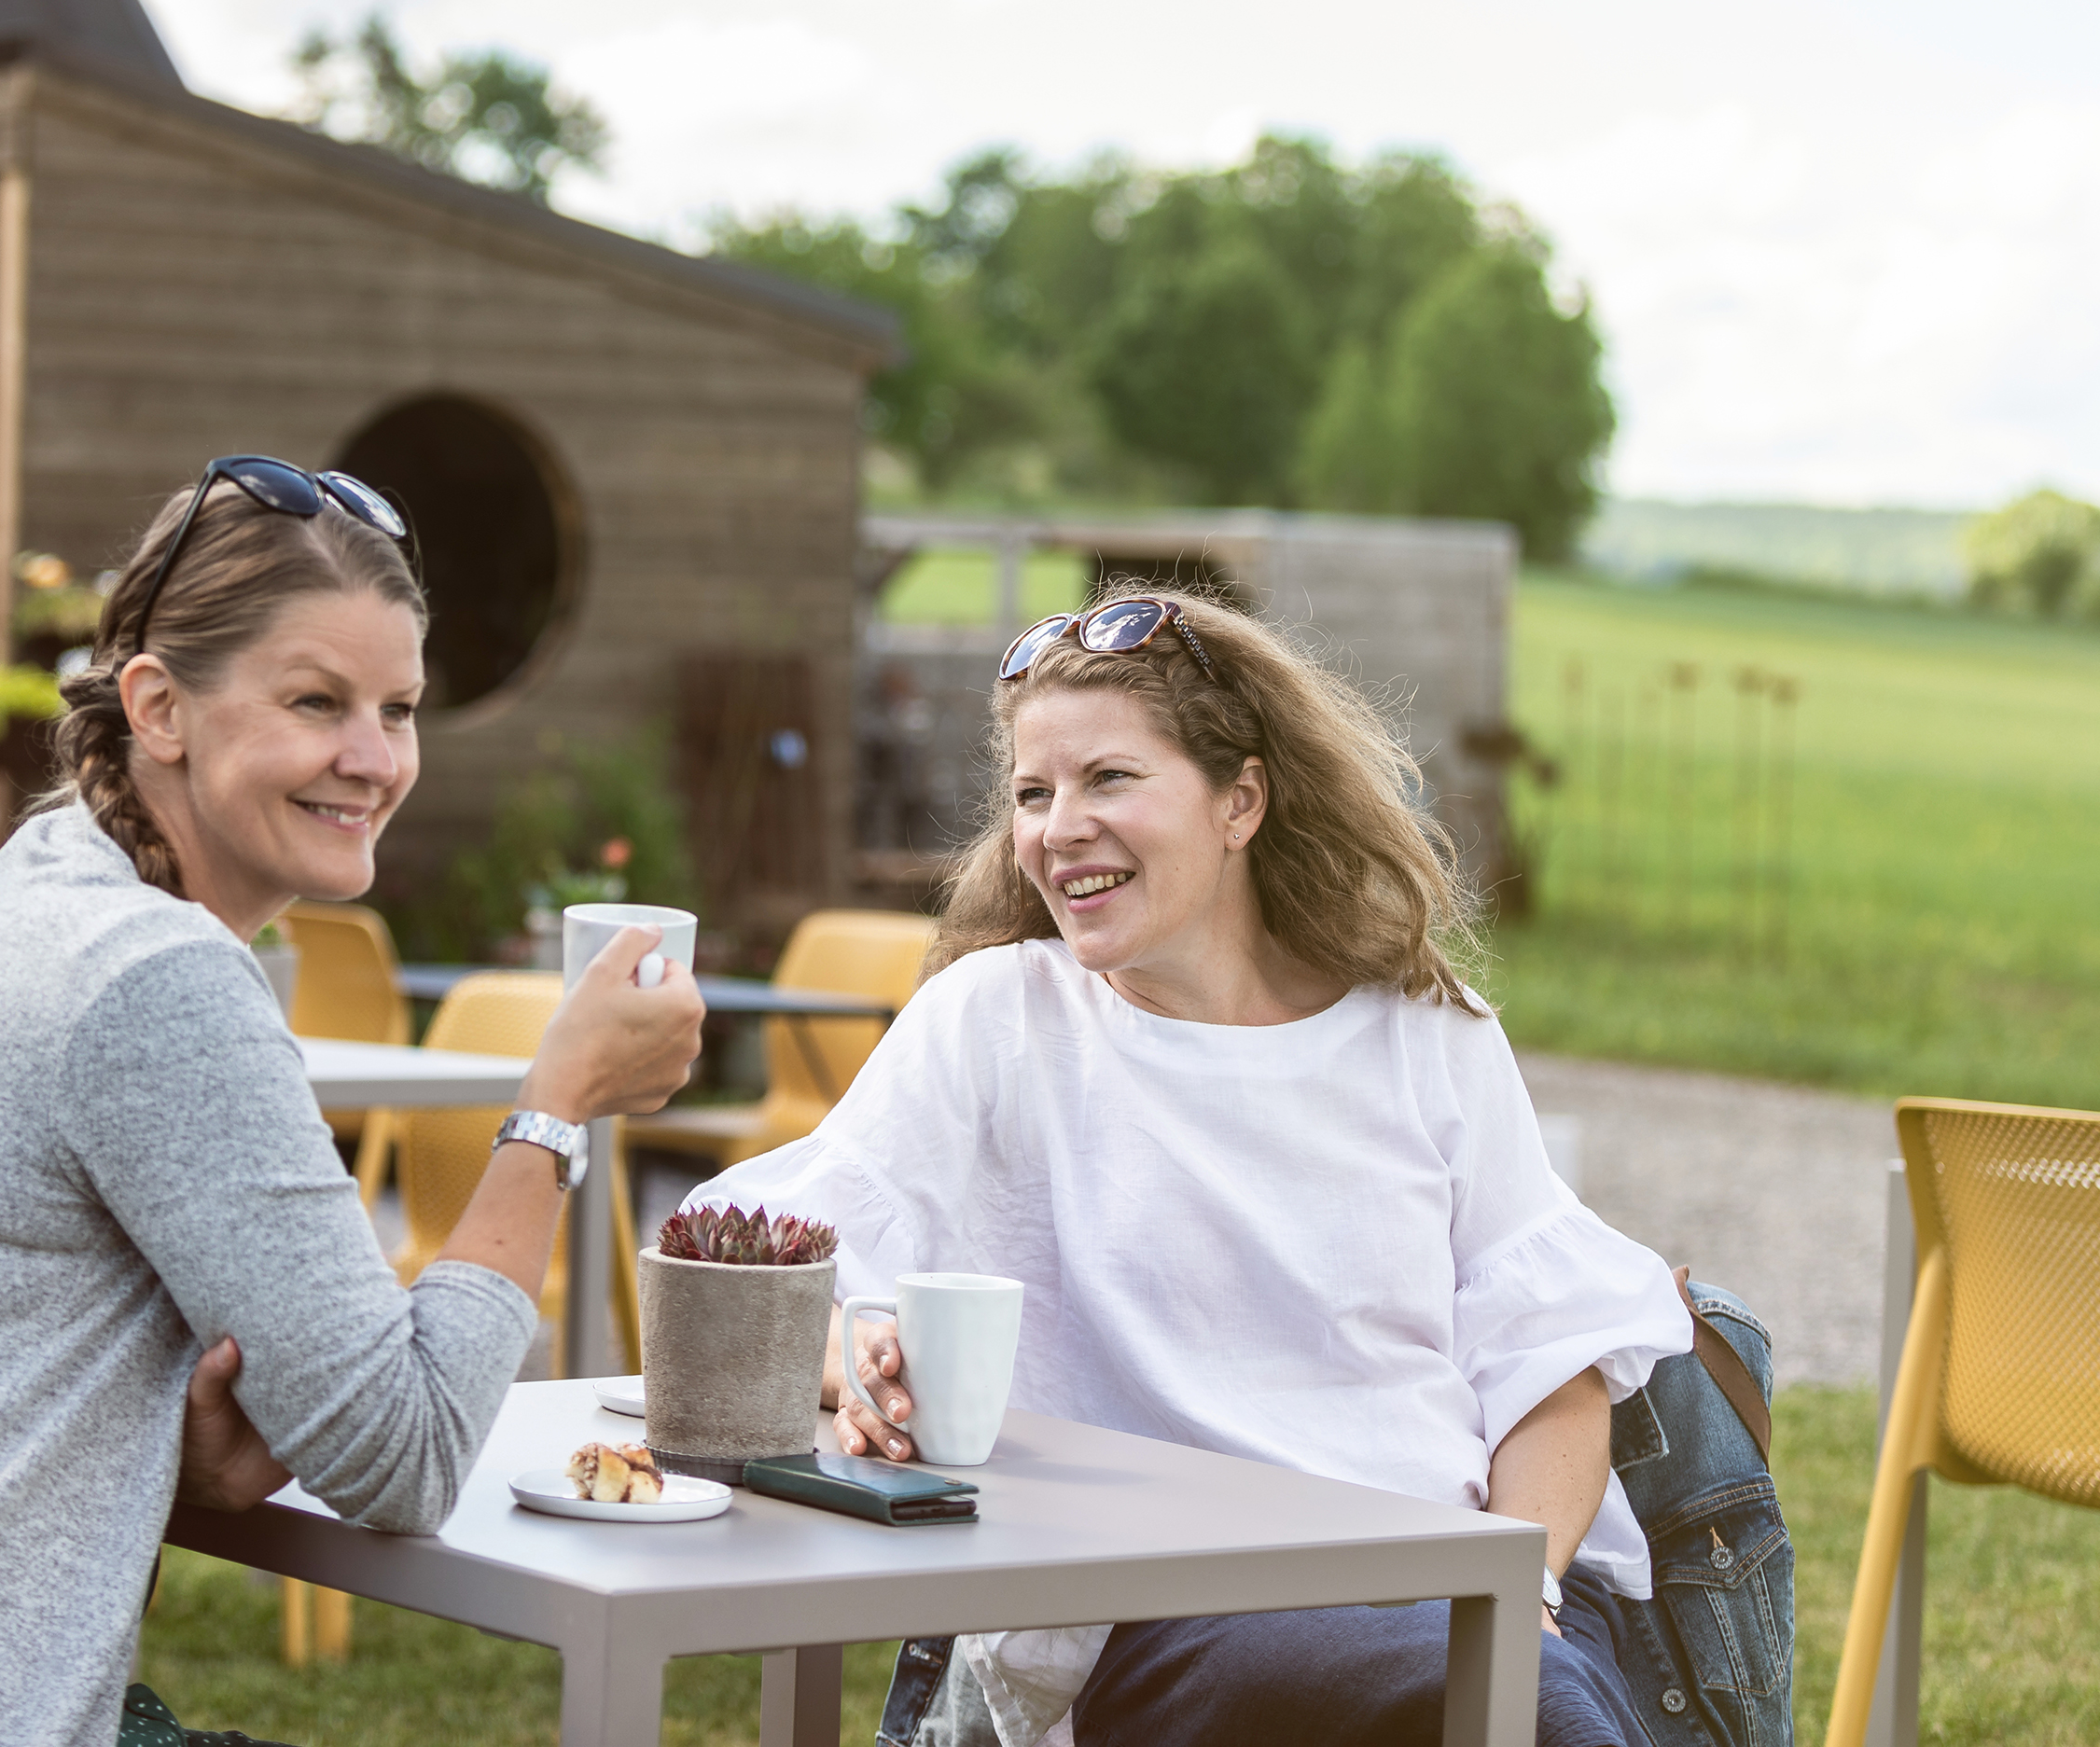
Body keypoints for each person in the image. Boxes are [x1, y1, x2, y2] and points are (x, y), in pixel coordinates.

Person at [0, 457, 703, 1747]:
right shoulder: (156, 977)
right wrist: (557, 1107)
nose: (372, 758)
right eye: (315, 701)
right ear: (158, 707)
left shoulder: (56, 870)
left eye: (397, 708)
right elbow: (404, 1461)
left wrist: (154, 1440)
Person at [690, 589, 1690, 1747]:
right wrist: (854, 1364)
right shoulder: (998, 1021)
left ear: (1240, 799)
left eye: (1106, 778)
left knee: (1530, 1698)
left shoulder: (1429, 1034)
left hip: (1460, 1581)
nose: (1057, 826)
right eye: (1031, 791)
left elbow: (1548, 1367)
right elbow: (758, 1266)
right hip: (1169, 1610)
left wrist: (1527, 1586)